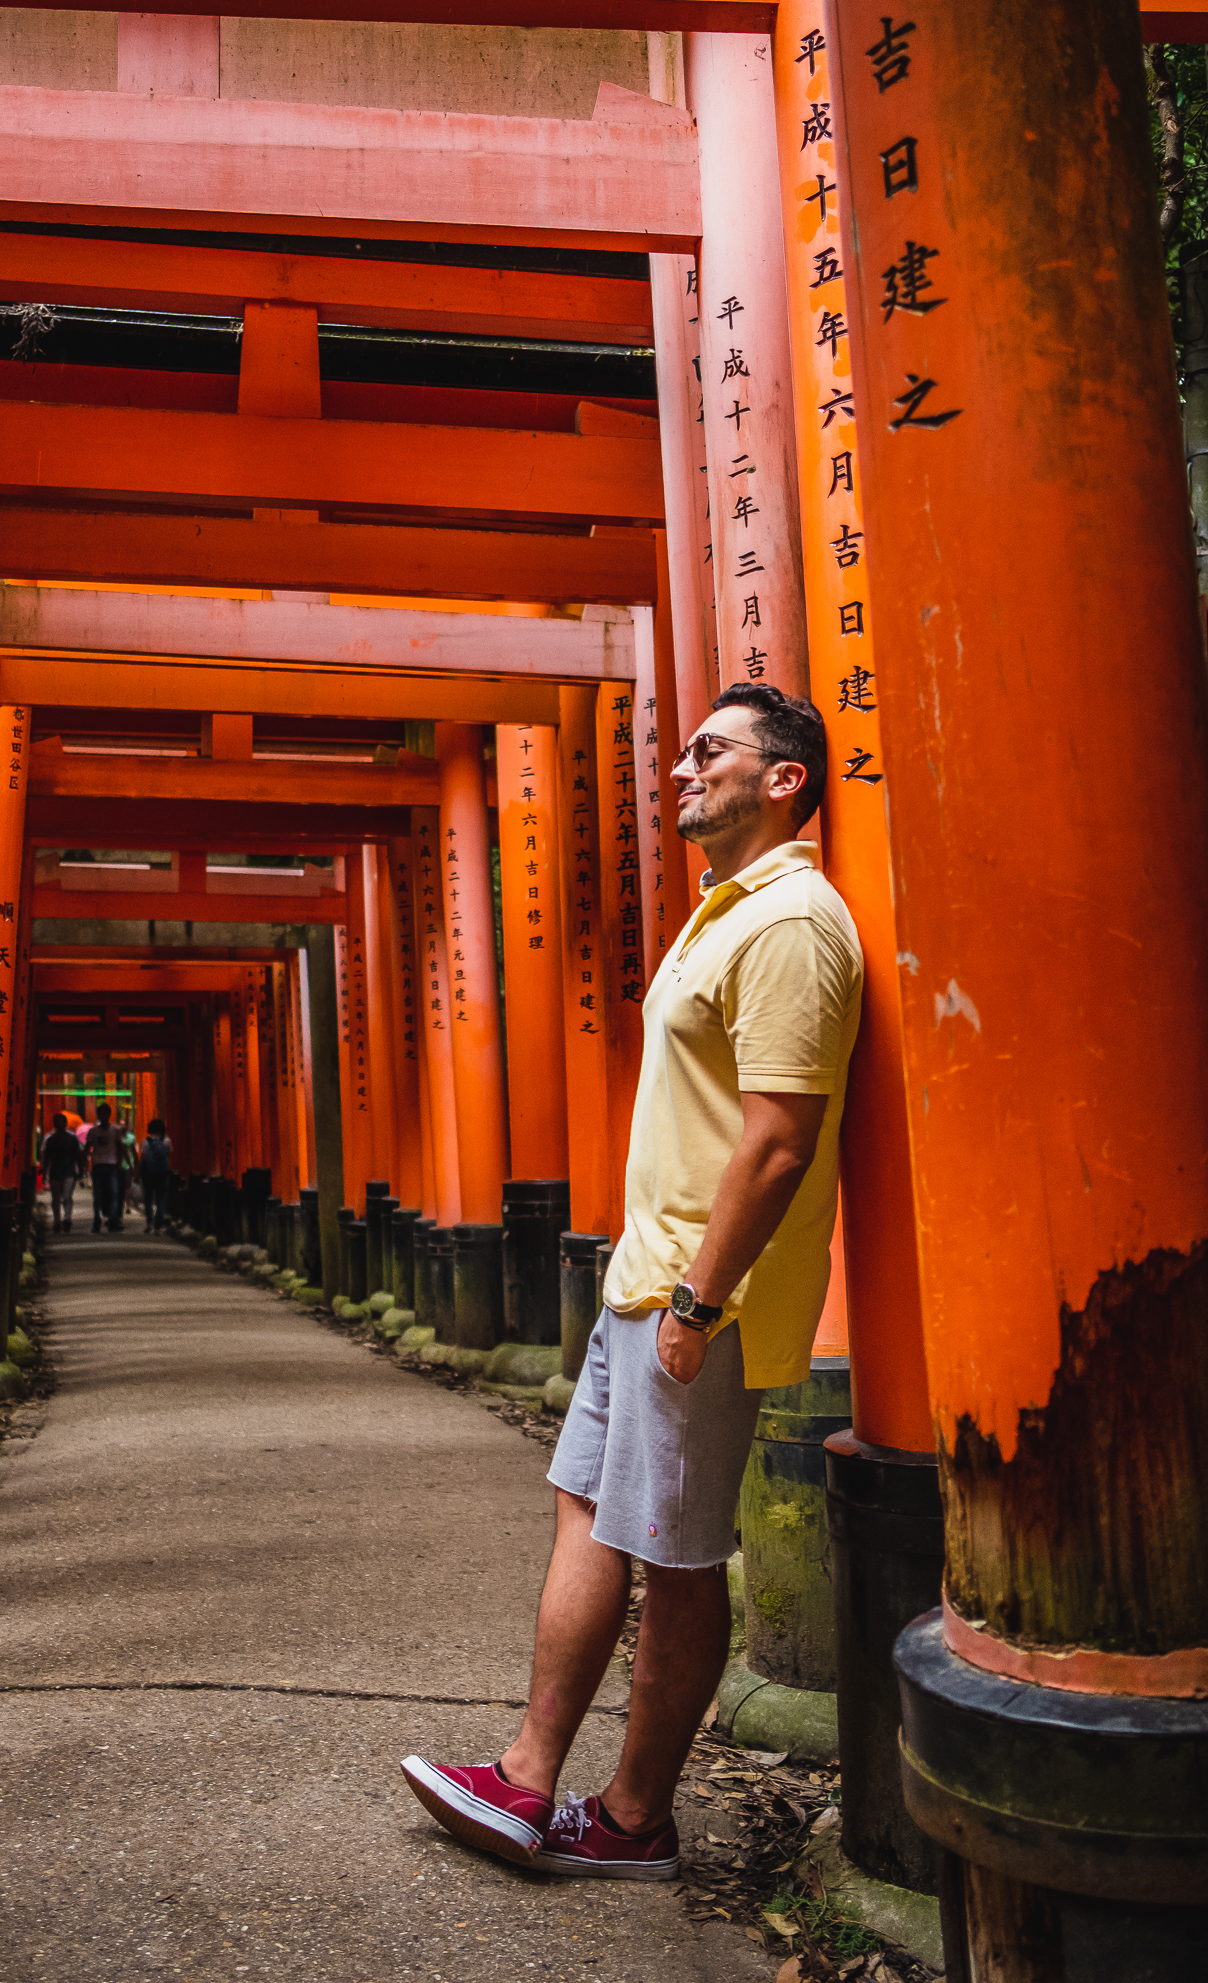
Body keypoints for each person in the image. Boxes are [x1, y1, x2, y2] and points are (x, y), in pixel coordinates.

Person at [402, 683, 862, 1879]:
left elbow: (779, 1137)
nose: (680, 770)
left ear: (785, 779)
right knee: (593, 1513)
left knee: (676, 1548)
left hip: (695, 1302)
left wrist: (702, 1301)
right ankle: (526, 1776)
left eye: (709, 751)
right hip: (643, 1282)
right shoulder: (722, 912)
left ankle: (632, 1817)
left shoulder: (794, 925)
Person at [84, 1101, 128, 1233]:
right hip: (97, 1164)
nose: (103, 1116)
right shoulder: (93, 1131)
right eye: (100, 1113)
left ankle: (113, 1219)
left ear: (109, 1115)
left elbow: (120, 1147)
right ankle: (97, 1218)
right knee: (98, 1194)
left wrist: (120, 1163)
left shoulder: (115, 1130)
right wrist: (85, 1164)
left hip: (112, 1164)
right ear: (98, 1115)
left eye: (105, 1113)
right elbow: (87, 1148)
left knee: (114, 1192)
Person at [41, 1112, 84, 1234]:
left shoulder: (72, 1139)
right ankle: (57, 1221)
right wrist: (44, 1173)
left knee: (67, 1196)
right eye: (58, 1122)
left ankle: (67, 1218)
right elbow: (47, 1157)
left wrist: (80, 1169)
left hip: (69, 1171)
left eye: (62, 1122)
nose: (60, 1124)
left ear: (65, 1124)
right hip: (55, 1172)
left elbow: (77, 1155)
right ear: (54, 1124)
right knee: (55, 1198)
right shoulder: (50, 1140)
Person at [138, 1117, 173, 1234]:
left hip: (149, 1173)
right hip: (162, 1173)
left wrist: (139, 1171)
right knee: (161, 1199)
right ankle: (158, 1225)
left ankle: (149, 1222)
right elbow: (169, 1155)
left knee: (148, 1198)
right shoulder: (166, 1140)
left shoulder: (146, 1141)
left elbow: (143, 1158)